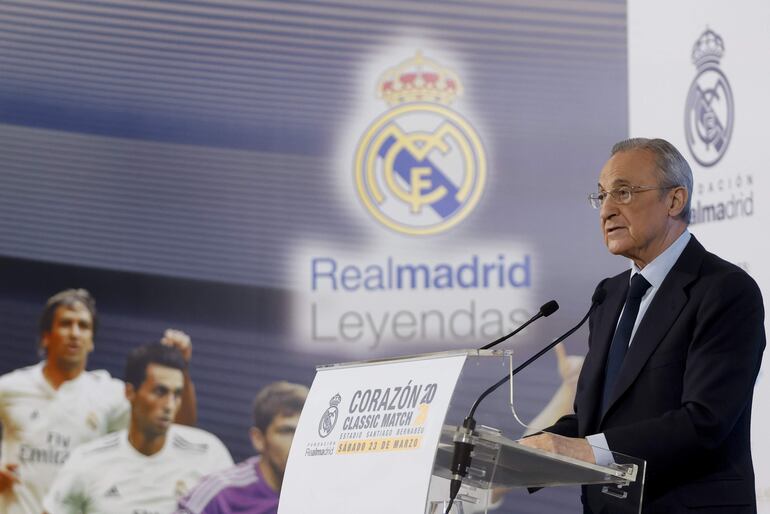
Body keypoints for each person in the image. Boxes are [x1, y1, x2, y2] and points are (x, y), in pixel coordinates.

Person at [519, 138, 765, 513]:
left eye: (624, 192)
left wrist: (583, 449)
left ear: (674, 200)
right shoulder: (610, 295)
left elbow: (704, 421)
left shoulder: (724, 290)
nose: (606, 210)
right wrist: (522, 456)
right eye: (601, 196)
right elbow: (596, 419)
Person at [0, 289, 198, 514]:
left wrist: (181, 368)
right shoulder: (11, 387)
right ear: (46, 336)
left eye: (83, 326)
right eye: (66, 324)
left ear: (91, 341)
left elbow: (179, 425)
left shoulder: (110, 393)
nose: (75, 333)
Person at [43, 341, 232, 514]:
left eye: (177, 394)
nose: (169, 405)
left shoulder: (208, 454)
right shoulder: (87, 461)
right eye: (160, 391)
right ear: (130, 392)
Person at [176, 381, 309, 514]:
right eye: (286, 431)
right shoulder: (220, 492)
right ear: (258, 439)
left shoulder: (321, 493)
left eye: (306, 432)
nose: (298, 442)